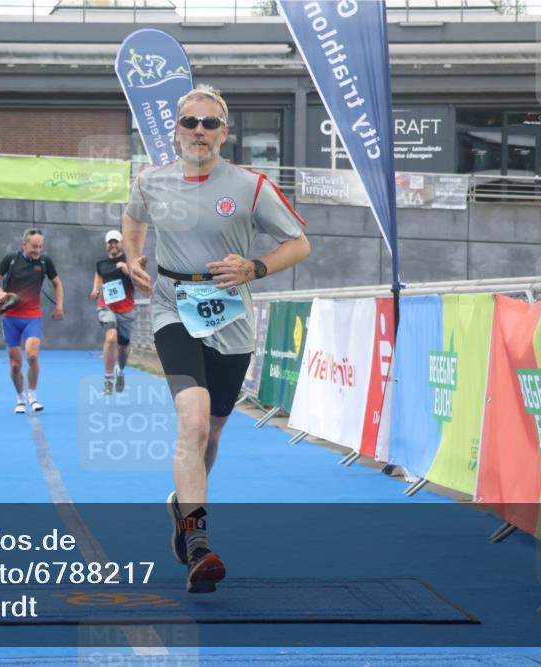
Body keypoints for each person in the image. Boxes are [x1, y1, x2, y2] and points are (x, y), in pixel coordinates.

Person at [121, 84, 310, 593]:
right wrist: (132, 257)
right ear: (176, 131)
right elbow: (133, 220)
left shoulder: (250, 186)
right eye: (190, 123)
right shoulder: (151, 180)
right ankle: (198, 544)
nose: (199, 132)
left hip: (231, 318)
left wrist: (255, 266)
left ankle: (180, 504)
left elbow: (299, 243)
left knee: (213, 433)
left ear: (225, 132)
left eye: (209, 124)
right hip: (172, 308)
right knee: (194, 422)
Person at [0, 229, 64, 414]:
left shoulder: (45, 262)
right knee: (15, 364)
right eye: (34, 246)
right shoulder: (11, 259)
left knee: (32, 355)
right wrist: (0, 293)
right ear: (24, 245)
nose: (38, 250)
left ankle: (33, 395)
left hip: (32, 317)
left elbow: (57, 283)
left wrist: (59, 306)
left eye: (40, 246)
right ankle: (20, 397)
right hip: (11, 319)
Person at [90, 229, 136, 395]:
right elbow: (99, 276)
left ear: (121, 243)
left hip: (127, 309)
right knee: (110, 339)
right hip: (107, 306)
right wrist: (95, 290)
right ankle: (108, 380)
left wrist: (127, 269)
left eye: (116, 242)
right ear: (106, 245)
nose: (113, 245)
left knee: (123, 349)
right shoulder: (101, 262)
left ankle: (120, 372)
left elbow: (138, 280)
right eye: (110, 242)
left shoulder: (129, 260)